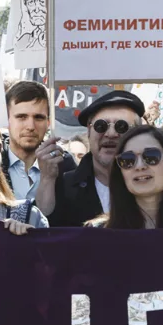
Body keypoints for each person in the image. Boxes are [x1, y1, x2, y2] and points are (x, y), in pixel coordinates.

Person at [48, 89, 145, 227]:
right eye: (101, 126)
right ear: (88, 131)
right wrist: (47, 179)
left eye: (121, 127)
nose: (111, 134)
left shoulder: (151, 185)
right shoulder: (64, 186)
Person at [2, 80, 76, 204]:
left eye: (38, 117)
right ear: (7, 119)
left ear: (48, 122)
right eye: (21, 117)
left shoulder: (64, 164)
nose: (30, 126)